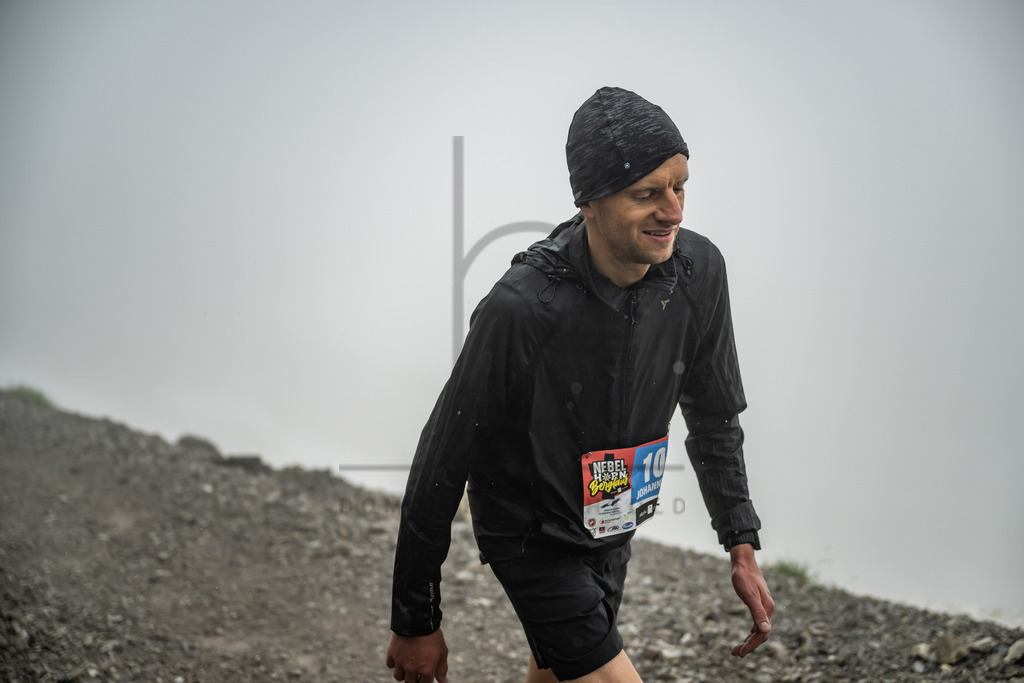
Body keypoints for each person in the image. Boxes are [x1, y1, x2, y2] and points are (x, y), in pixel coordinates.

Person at [386, 86, 773, 682]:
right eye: (647, 194)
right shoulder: (522, 308)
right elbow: (441, 460)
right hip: (531, 536)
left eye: (679, 187)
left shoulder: (698, 273)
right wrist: (416, 620)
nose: (673, 211)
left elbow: (715, 414)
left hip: (612, 523)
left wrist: (740, 543)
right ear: (589, 202)